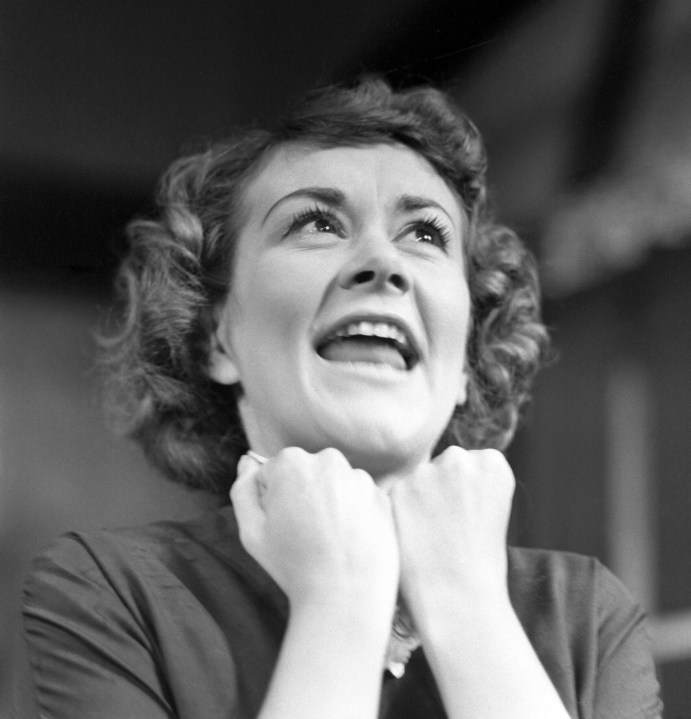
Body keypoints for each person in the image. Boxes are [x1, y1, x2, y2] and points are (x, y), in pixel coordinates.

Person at [18, 78, 662, 718]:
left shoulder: (585, 615)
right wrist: (339, 601)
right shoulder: (109, 595)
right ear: (217, 337)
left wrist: (467, 604)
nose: (384, 262)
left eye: (427, 235)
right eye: (318, 223)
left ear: (467, 353)